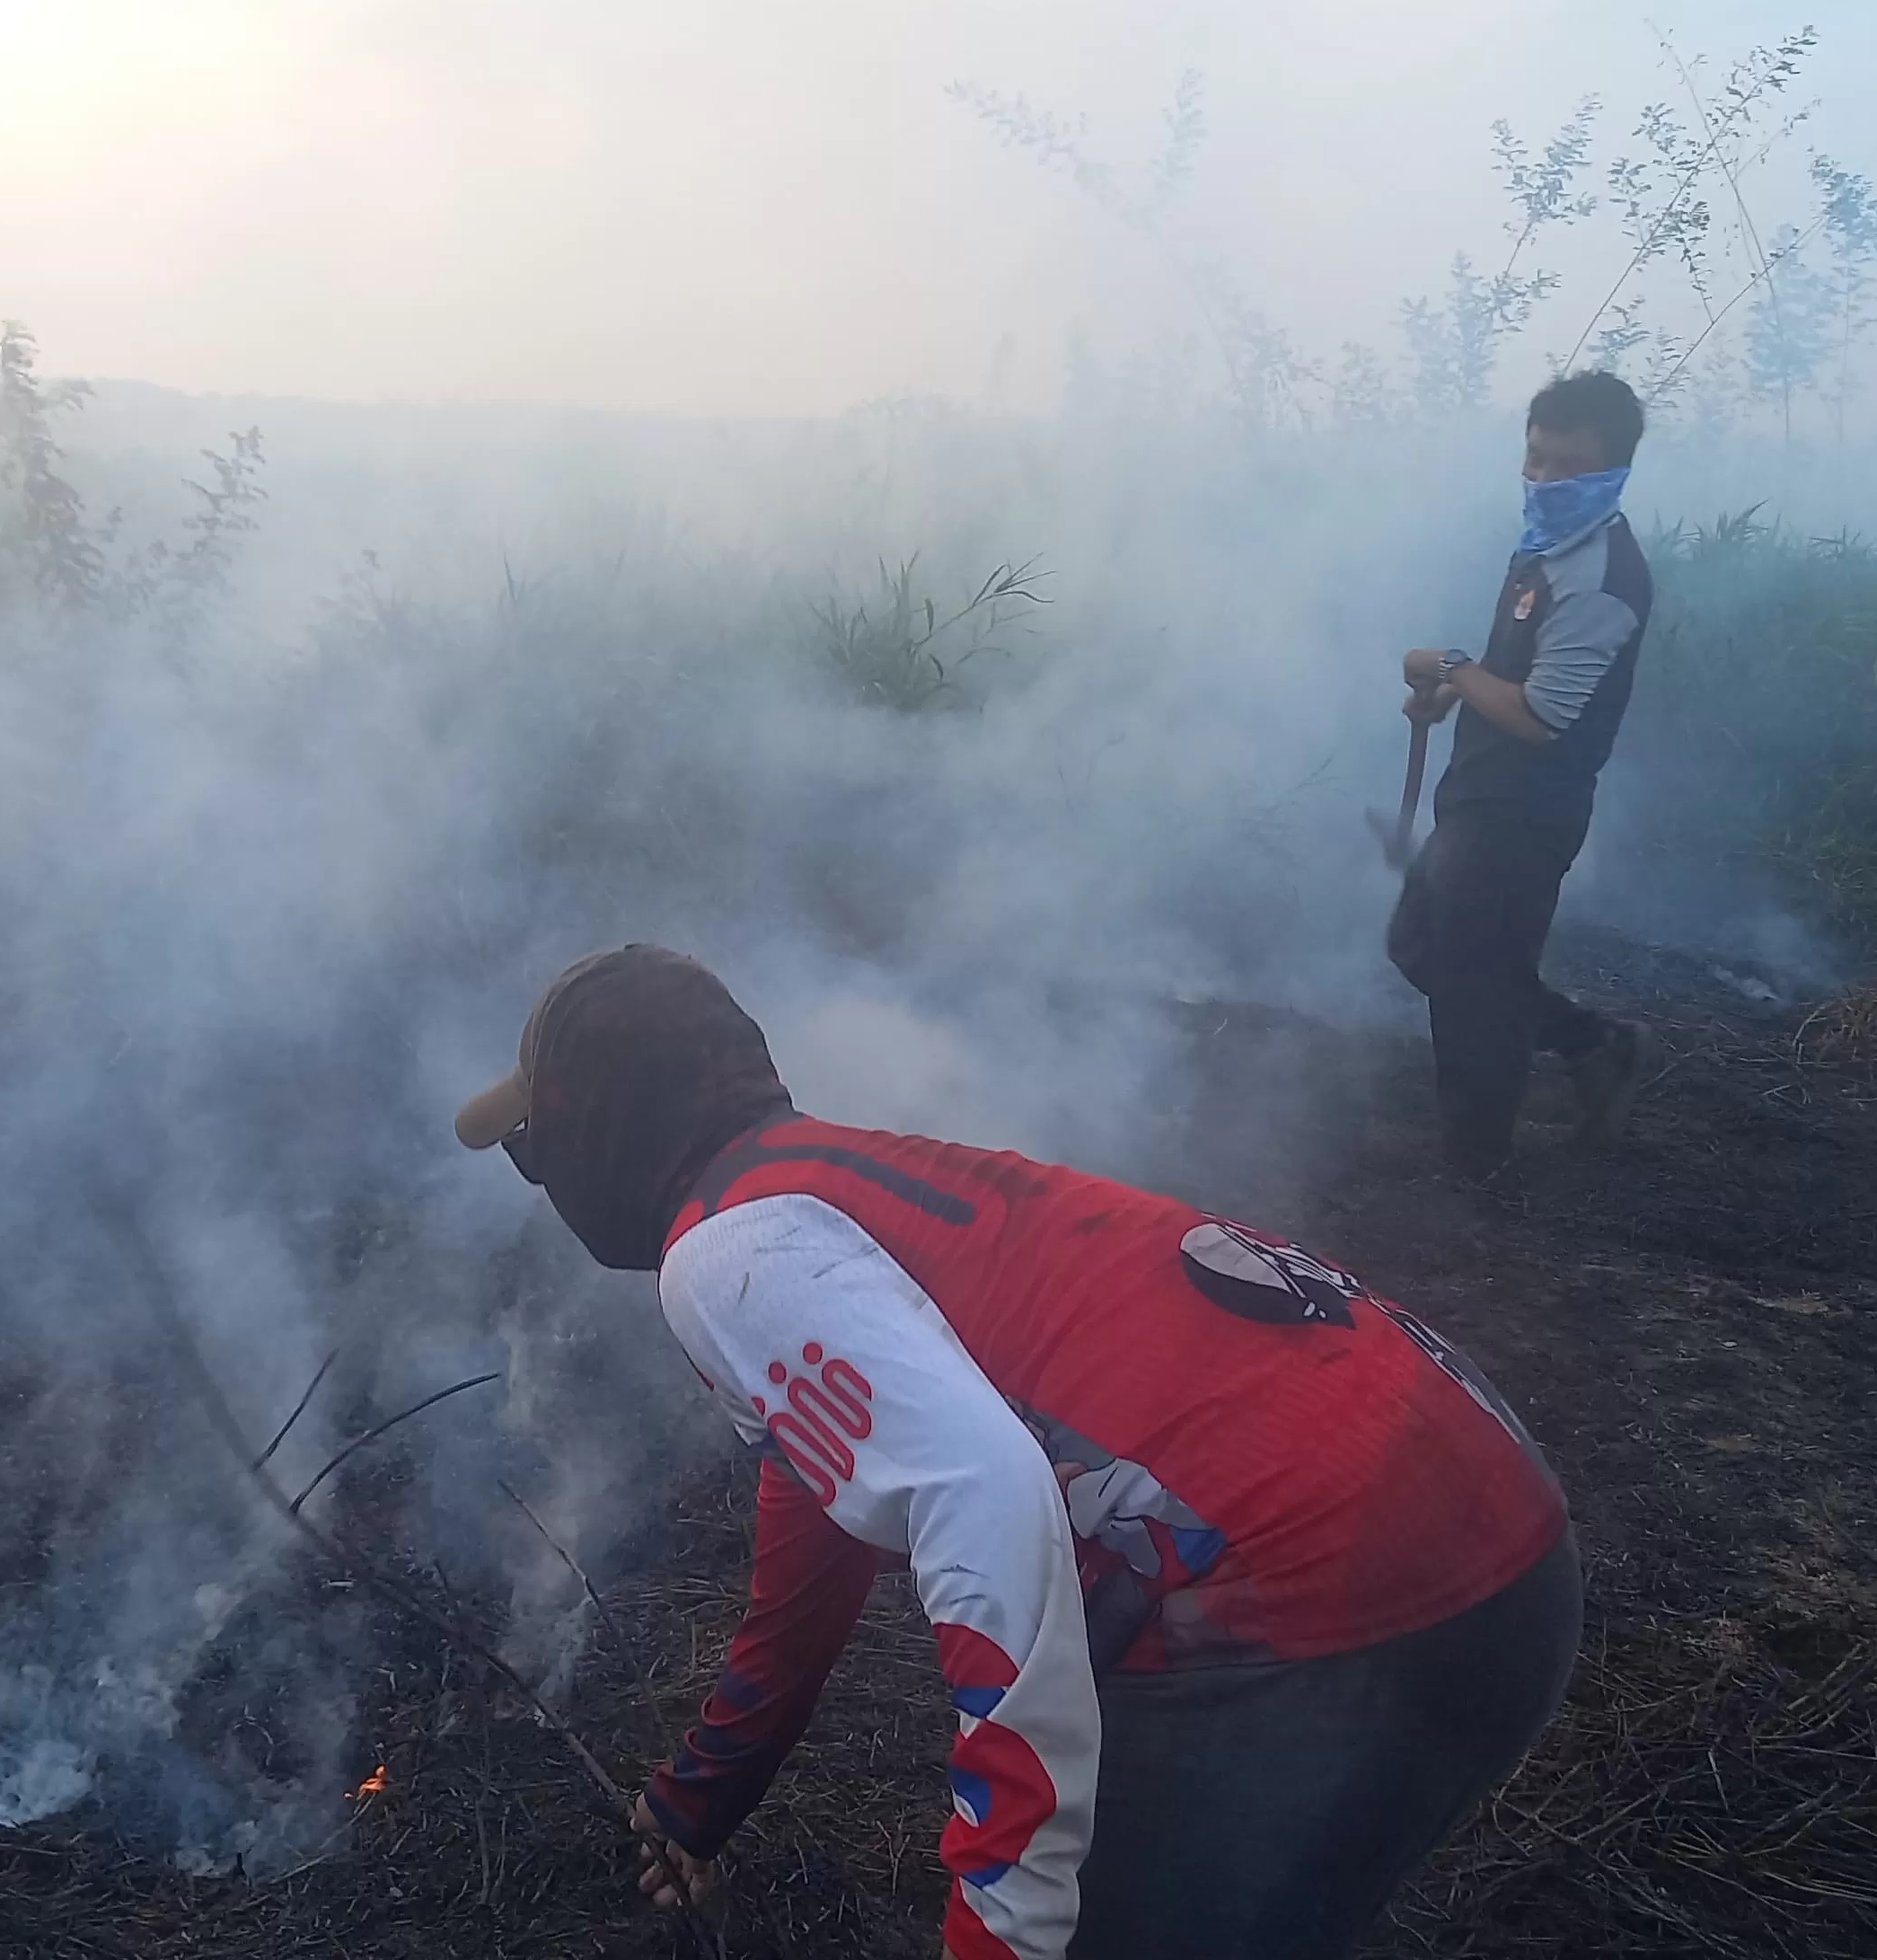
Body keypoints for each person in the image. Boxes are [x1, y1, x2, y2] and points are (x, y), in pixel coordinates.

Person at [454, 945, 1580, 1960]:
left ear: (602, 1131)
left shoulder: (725, 1253)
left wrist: (1008, 1916)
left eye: (536, 1153)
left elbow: (987, 1505)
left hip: (1322, 1603)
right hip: (1501, 1536)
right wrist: (704, 1795)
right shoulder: (831, 1182)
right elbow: (812, 1544)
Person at [1388, 370, 1657, 1186]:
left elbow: (1542, 717)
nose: (1544, 480)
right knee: (1423, 948)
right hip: (1479, 791)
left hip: (1525, 814)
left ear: (1613, 473)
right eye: (1535, 459)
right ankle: (1591, 1043)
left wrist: (1452, 665)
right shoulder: (1547, 550)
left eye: (1568, 466)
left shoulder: (1602, 583)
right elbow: (1513, 666)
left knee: (1473, 986)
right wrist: (1445, 694)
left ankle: (1475, 1167)